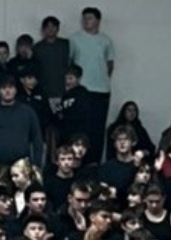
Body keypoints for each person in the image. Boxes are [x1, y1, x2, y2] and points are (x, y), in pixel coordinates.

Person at [69, 7, 115, 161]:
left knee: (98, 130)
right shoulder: (75, 39)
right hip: (82, 91)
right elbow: (70, 64)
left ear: (98, 21)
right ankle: (78, 162)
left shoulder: (106, 40)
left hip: (102, 91)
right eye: (84, 18)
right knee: (81, 129)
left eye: (90, 18)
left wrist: (100, 78)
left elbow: (109, 65)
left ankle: (94, 163)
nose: (86, 21)